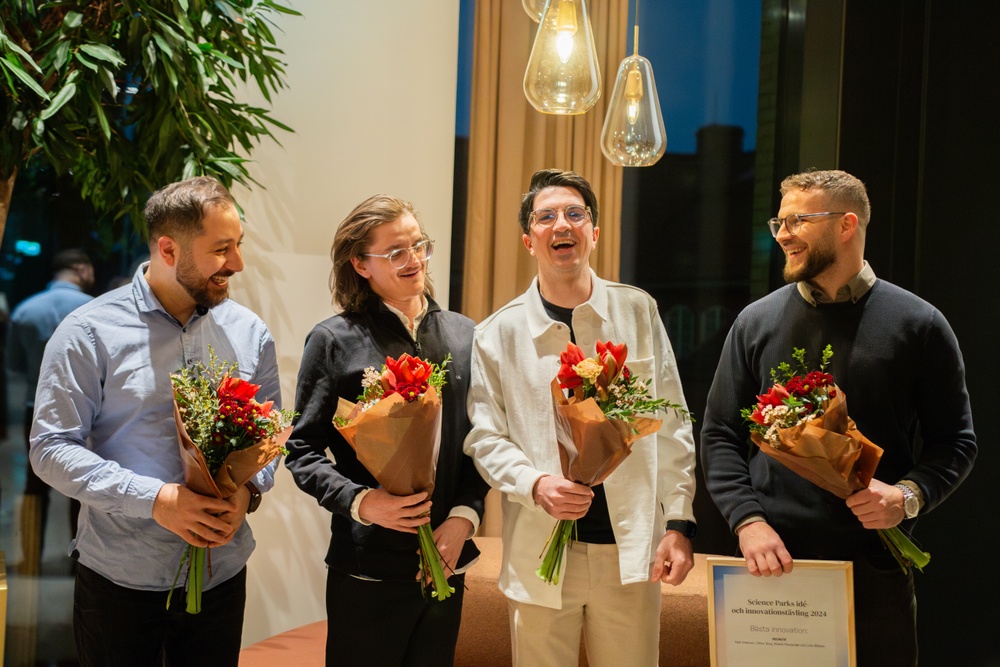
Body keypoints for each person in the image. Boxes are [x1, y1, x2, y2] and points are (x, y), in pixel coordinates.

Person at [700, 169, 977, 666]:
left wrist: (907, 498)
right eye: (778, 222)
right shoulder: (755, 322)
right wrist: (748, 522)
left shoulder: (920, 324)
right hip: (772, 563)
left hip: (873, 569)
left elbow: (956, 443)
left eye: (798, 220)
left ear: (847, 224)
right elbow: (720, 434)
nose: (782, 234)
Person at [29, 176, 282, 667]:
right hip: (121, 582)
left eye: (239, 246)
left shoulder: (250, 332)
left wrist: (248, 493)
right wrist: (157, 500)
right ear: (168, 248)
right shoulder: (87, 332)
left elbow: (270, 439)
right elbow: (51, 449)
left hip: (221, 577)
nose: (237, 264)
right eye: (221, 249)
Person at [464, 168, 698, 667]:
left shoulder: (638, 311)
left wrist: (679, 520)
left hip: (630, 553)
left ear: (594, 232)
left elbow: (673, 421)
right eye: (545, 217)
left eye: (575, 214)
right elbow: (485, 438)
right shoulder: (497, 333)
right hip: (540, 551)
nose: (561, 225)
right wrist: (534, 484)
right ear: (529, 240)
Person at [284, 194, 489, 667]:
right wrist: (363, 503)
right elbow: (302, 451)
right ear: (360, 263)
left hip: (448, 558)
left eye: (420, 245)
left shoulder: (464, 334)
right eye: (396, 252)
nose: (414, 260)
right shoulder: (334, 340)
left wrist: (465, 516)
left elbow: (482, 443)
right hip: (366, 568)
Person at [6, 248, 95, 574]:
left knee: (34, 487)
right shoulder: (93, 309)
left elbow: (14, 364)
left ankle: (31, 561)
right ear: (81, 269)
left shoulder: (26, 310)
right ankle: (80, 560)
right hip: (85, 410)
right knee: (82, 485)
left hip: (37, 407)